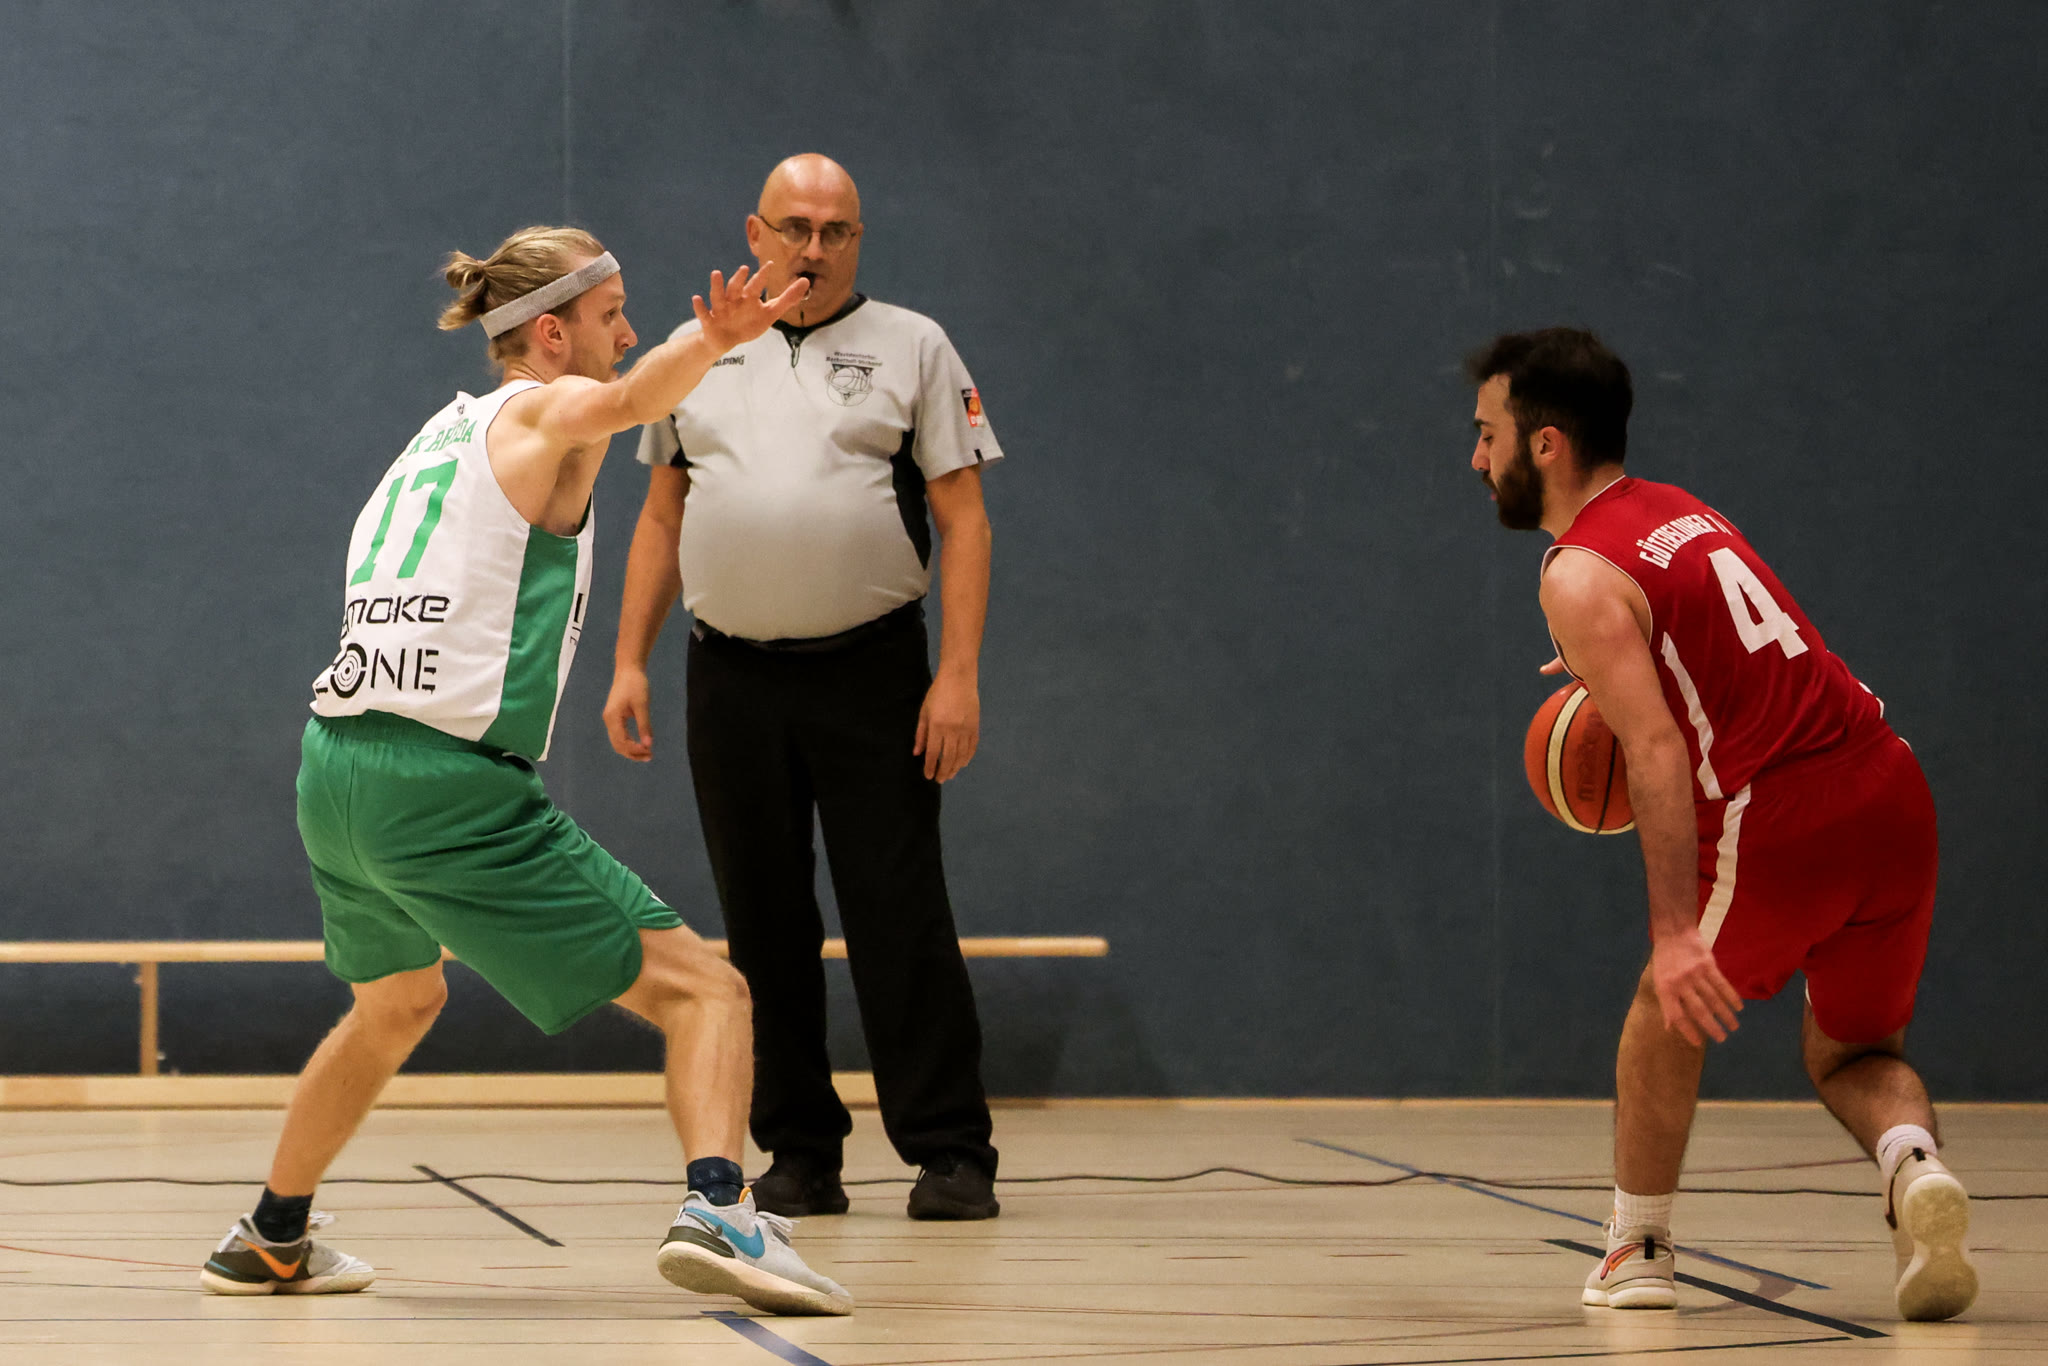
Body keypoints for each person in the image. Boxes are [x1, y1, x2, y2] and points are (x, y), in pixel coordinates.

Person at [196, 225, 853, 1317]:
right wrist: (716, 338)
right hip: (446, 787)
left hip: (335, 770)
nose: (627, 332)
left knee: (395, 1003)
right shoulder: (544, 412)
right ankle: (719, 1207)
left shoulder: (434, 437)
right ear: (550, 333)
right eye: (611, 315)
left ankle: (271, 1233)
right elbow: (629, 401)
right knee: (708, 992)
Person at [1465, 328, 1977, 1322]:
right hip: (1888, 789)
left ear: (1544, 444)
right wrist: (1611, 656)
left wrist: (1673, 936)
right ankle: (1915, 1168)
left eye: (1488, 434)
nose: (1475, 457)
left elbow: (1656, 752)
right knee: (1848, 1053)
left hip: (1781, 815)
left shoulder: (1574, 573)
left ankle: (1637, 1250)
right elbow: (1721, 642)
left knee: (1662, 1011)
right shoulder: (1682, 510)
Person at [604, 154, 1002, 1221]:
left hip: (873, 672)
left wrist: (956, 677)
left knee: (897, 908)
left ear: (857, 240)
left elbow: (963, 520)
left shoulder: (914, 346)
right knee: (762, 919)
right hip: (728, 674)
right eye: (794, 227)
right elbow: (660, 514)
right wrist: (630, 659)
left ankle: (949, 1149)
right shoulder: (695, 351)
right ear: (756, 232)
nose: (813, 249)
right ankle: (799, 1151)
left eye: (835, 231)